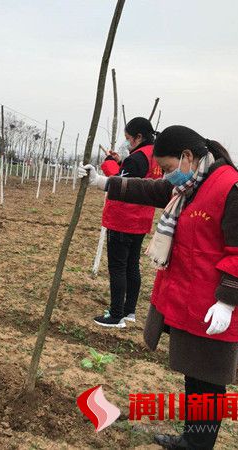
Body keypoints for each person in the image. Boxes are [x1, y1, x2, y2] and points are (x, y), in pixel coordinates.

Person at [79, 125, 238, 449]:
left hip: (213, 305)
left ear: (187, 157)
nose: (168, 177)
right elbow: (149, 190)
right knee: (195, 376)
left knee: (208, 383)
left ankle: (199, 445)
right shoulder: (192, 184)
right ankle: (190, 439)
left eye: (168, 168)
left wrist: (227, 302)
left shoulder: (232, 190)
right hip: (190, 300)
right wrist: (103, 182)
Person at [95, 117, 162, 328]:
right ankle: (129, 310)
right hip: (141, 220)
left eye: (128, 138)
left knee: (117, 267)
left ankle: (115, 315)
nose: (127, 143)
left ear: (138, 137)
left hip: (123, 219)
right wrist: (121, 162)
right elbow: (135, 178)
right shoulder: (154, 156)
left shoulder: (137, 159)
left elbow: (120, 183)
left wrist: (109, 165)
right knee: (132, 266)